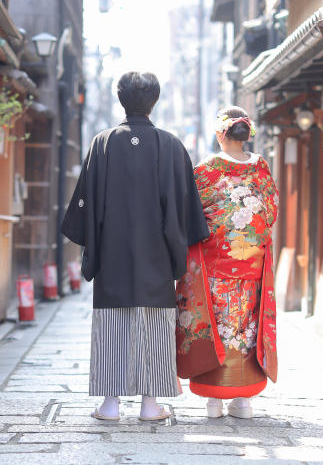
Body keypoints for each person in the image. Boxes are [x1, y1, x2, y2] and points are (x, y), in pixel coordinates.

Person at [60, 71, 209, 421]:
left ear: (121, 100)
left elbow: (85, 201)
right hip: (157, 255)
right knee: (154, 326)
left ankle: (110, 405)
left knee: (112, 324)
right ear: (154, 102)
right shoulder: (171, 145)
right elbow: (185, 205)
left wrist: (94, 243)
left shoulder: (102, 143)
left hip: (112, 253)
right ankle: (150, 405)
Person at [175, 106, 278, 419]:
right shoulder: (261, 168)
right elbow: (271, 211)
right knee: (246, 329)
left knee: (214, 326)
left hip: (214, 265)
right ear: (246, 134)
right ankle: (243, 401)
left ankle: (213, 402)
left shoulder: (206, 170)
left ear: (220, 133)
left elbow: (189, 216)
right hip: (252, 268)